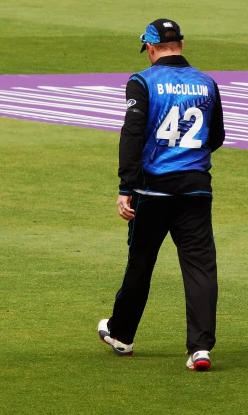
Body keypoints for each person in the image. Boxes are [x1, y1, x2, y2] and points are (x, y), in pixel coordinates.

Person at [97, 18, 226, 371]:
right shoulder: (206, 82)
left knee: (141, 262)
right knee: (200, 267)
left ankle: (122, 335)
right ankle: (200, 349)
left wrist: (125, 187)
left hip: (152, 189)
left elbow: (132, 135)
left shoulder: (143, 81)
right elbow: (217, 136)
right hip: (196, 188)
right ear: (181, 45)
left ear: (151, 48)